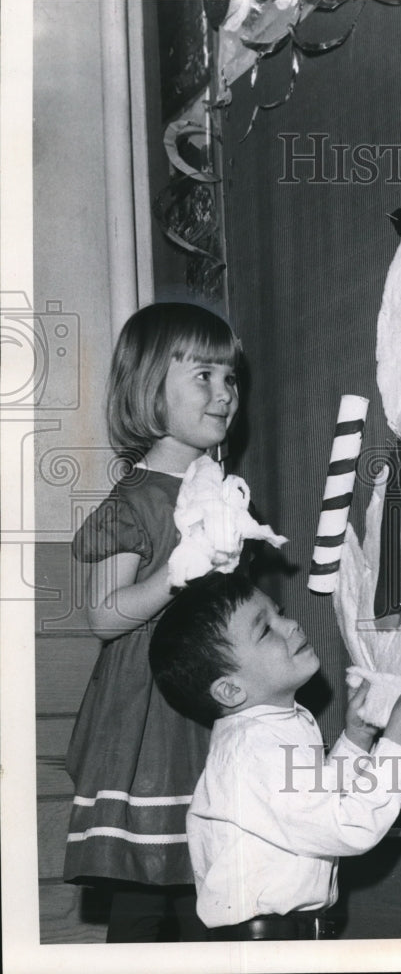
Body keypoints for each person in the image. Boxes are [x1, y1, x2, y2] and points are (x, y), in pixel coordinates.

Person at [65, 302, 243, 942]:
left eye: (230, 378)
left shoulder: (224, 491)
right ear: (151, 394)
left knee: (211, 885)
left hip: (207, 698)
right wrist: (174, 574)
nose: (225, 395)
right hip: (146, 712)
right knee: (145, 898)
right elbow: (103, 617)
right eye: (204, 377)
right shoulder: (134, 499)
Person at [149, 571, 401, 941]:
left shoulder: (272, 727)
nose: (290, 625)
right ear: (230, 689)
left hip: (286, 942)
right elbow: (347, 827)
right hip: (263, 947)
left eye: (280, 612)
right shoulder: (251, 750)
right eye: (265, 629)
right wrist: (398, 740)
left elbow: (314, 805)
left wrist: (356, 740)